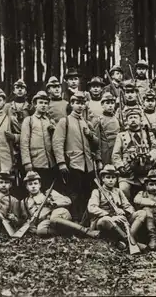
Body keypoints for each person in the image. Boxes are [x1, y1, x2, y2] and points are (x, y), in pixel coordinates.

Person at [52, 91, 99, 221]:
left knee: (87, 192)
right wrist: (61, 162)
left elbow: (96, 144)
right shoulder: (64, 121)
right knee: (74, 193)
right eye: (77, 103)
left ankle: (86, 220)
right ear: (71, 104)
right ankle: (75, 219)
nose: (80, 106)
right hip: (73, 163)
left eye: (82, 103)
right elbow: (57, 143)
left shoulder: (87, 123)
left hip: (87, 164)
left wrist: (90, 135)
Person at [19, 171, 99, 238]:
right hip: (46, 221)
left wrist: (53, 203)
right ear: (26, 187)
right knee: (40, 231)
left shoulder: (48, 193)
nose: (33, 186)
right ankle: (72, 232)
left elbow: (68, 201)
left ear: (39, 185)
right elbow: (26, 219)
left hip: (59, 213)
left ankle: (86, 231)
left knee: (54, 218)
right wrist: (32, 226)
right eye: (30, 184)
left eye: (35, 183)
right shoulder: (24, 202)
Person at [87, 165, 147, 250]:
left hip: (120, 220)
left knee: (142, 213)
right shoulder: (97, 192)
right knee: (106, 220)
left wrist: (124, 212)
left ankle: (129, 239)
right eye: (108, 177)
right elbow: (92, 208)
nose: (111, 180)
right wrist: (111, 215)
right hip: (104, 221)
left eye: (113, 177)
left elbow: (128, 206)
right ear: (103, 179)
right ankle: (130, 241)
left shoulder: (118, 191)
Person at [112, 107, 156, 200]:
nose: (133, 120)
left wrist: (150, 158)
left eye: (135, 117)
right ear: (126, 121)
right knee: (123, 188)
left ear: (140, 120)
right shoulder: (121, 135)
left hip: (145, 171)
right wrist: (121, 167)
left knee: (151, 190)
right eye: (130, 118)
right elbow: (116, 154)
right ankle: (128, 209)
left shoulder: (148, 134)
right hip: (128, 172)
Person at [20, 91, 57, 191]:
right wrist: (27, 162)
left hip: (50, 162)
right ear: (35, 105)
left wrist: (54, 131)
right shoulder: (29, 120)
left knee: (49, 190)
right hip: (36, 161)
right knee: (35, 189)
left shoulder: (50, 121)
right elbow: (24, 142)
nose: (43, 105)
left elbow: (56, 142)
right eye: (40, 103)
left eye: (46, 103)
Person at [94, 92, 121, 167]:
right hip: (105, 153)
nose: (110, 105)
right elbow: (97, 141)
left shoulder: (117, 119)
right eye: (107, 103)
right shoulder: (99, 120)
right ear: (102, 105)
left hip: (117, 152)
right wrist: (98, 159)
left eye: (112, 103)